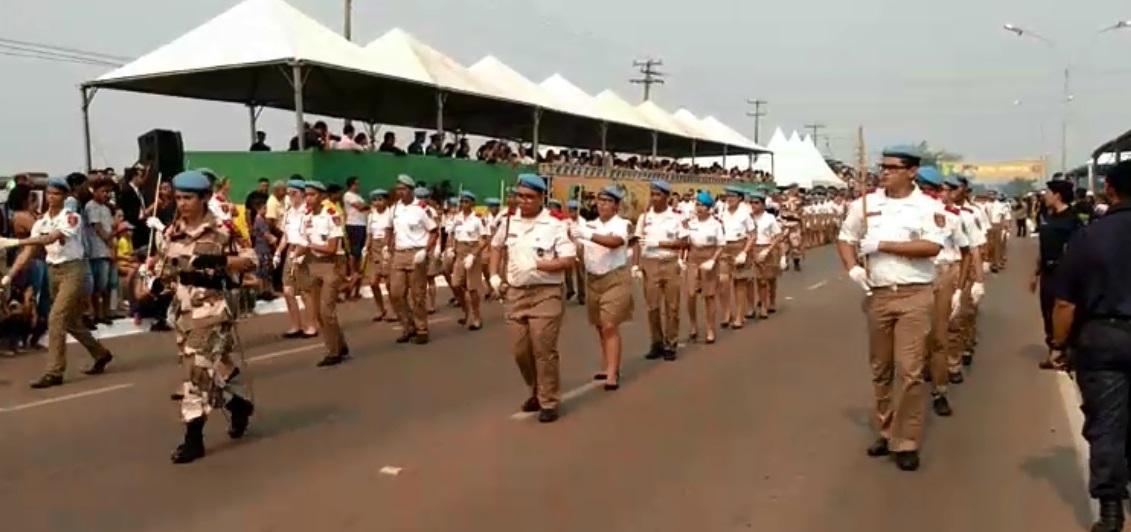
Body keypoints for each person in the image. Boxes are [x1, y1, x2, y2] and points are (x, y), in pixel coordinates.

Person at [836, 145, 946, 472]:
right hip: (878, 294)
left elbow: (931, 246)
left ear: (912, 171)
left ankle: (907, 440)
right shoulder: (866, 204)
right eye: (882, 166)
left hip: (914, 294)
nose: (885, 172)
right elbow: (845, 238)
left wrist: (882, 245)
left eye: (893, 167)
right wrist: (853, 267)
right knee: (880, 368)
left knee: (910, 370)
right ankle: (887, 430)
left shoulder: (927, 206)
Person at [147, 170, 257, 464]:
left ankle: (193, 439)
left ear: (205, 198)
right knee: (204, 372)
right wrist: (157, 281)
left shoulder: (222, 229)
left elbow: (252, 259)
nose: (182, 203)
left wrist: (218, 260)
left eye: (188, 198)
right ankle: (237, 405)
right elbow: (168, 270)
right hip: (182, 311)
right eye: (179, 197)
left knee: (195, 375)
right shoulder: (172, 232)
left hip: (211, 311)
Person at [1045, 159, 1131, 531]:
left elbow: (1065, 303)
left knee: (1107, 424)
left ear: (1109, 188)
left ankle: (1111, 510)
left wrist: (1058, 345)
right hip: (1107, 336)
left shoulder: (1091, 236)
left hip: (1104, 338)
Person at [1, 176, 114, 389]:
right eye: (49, 194)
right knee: (69, 321)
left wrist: (14, 241)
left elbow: (51, 238)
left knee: (56, 318)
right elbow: (29, 252)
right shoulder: (41, 221)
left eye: (57, 194)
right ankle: (101, 354)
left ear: (64, 196)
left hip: (73, 269)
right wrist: (9, 276)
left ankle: (54, 372)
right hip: (53, 271)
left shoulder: (70, 217)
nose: (52, 198)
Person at [488, 174, 575, 423]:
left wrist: (539, 265)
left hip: (546, 293)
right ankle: (535, 389)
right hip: (516, 293)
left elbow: (568, 260)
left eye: (529, 197)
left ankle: (548, 400)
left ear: (541, 198)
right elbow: (496, 246)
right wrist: (494, 275)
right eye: (520, 196)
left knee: (543, 347)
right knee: (520, 351)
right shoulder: (507, 222)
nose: (523, 201)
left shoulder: (555, 224)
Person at [573, 185, 633, 390]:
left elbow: (614, 242)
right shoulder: (589, 224)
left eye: (607, 201)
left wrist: (587, 235)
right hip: (593, 278)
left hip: (615, 277)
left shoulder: (622, 224)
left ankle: (612, 373)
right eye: (600, 201)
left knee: (609, 324)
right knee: (600, 325)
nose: (602, 204)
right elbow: (581, 250)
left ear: (616, 206)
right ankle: (608, 363)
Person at [1034, 179, 1084, 368]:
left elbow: (1078, 248)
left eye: (1048, 192)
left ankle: (1063, 352)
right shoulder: (1047, 216)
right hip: (1047, 271)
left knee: (1062, 311)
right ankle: (1053, 350)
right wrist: (1036, 272)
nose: (1045, 196)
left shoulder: (1072, 219)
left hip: (1064, 272)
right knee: (1047, 311)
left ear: (1057, 195)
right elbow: (1043, 247)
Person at [301, 181, 350, 366]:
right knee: (320, 313)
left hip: (331, 264)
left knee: (326, 309)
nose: (308, 198)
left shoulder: (331, 215)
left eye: (312, 195)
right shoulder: (306, 217)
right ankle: (340, 344)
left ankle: (333, 352)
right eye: (306, 195)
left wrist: (309, 246)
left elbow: (331, 248)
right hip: (313, 264)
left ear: (322, 197)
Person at [633, 181, 684, 360]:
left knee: (672, 306)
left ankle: (671, 343)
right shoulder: (644, 217)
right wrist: (635, 265)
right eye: (652, 194)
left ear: (667, 197)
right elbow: (638, 242)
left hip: (669, 262)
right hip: (650, 263)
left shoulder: (676, 217)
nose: (654, 198)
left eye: (658, 195)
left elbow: (684, 242)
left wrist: (660, 244)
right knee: (652, 306)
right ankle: (657, 342)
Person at [386, 175, 439, 344]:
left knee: (418, 294)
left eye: (403, 189)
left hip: (416, 253)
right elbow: (389, 228)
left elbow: (434, 231)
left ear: (410, 190)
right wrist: (388, 246)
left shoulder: (422, 209)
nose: (399, 193)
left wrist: (426, 250)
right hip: (399, 253)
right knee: (395, 293)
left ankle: (421, 328)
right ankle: (407, 326)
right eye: (398, 189)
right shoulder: (394, 208)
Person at [679, 191, 725, 344]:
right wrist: (681, 258)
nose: (699, 208)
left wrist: (713, 260)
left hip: (709, 258)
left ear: (709, 208)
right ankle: (693, 325)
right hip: (693, 259)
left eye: (702, 205)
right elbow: (684, 242)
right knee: (691, 295)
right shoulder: (690, 223)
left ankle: (710, 328)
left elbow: (720, 245)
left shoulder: (716, 224)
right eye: (697, 204)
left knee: (709, 296)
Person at [446, 191, 488, 330]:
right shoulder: (456, 218)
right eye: (462, 201)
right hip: (459, 251)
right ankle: (465, 310)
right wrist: (450, 248)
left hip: (472, 252)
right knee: (456, 283)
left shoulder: (477, 219)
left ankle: (476, 317)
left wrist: (474, 255)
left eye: (467, 202)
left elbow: (483, 240)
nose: (464, 204)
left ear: (472, 204)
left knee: (472, 288)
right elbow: (451, 234)